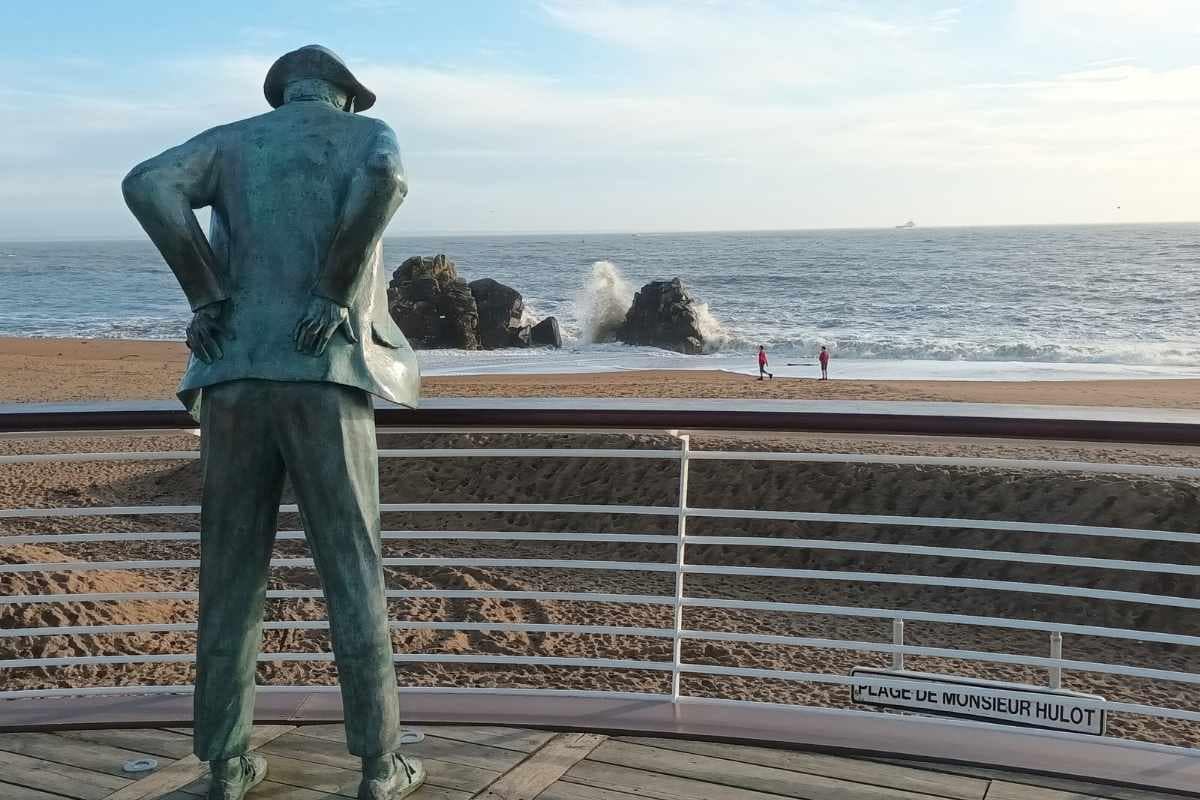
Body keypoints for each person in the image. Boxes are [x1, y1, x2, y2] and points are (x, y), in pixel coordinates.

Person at [123, 45, 423, 800]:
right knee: (352, 570)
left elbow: (146, 184)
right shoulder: (366, 136)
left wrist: (206, 294)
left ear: (282, 95)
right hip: (323, 374)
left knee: (229, 580)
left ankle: (225, 768)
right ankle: (379, 767)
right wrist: (332, 289)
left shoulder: (231, 141)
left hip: (231, 376)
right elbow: (388, 182)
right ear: (345, 96)